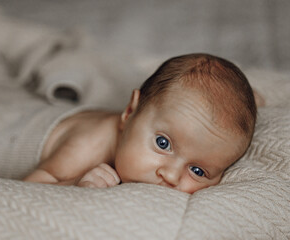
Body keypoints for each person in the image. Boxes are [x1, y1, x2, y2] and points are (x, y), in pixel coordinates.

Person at [24, 53, 259, 194]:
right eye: (162, 143)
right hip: (12, 129)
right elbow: (30, 187)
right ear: (129, 111)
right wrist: (74, 183)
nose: (170, 176)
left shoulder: (200, 136)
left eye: (197, 171)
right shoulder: (86, 146)